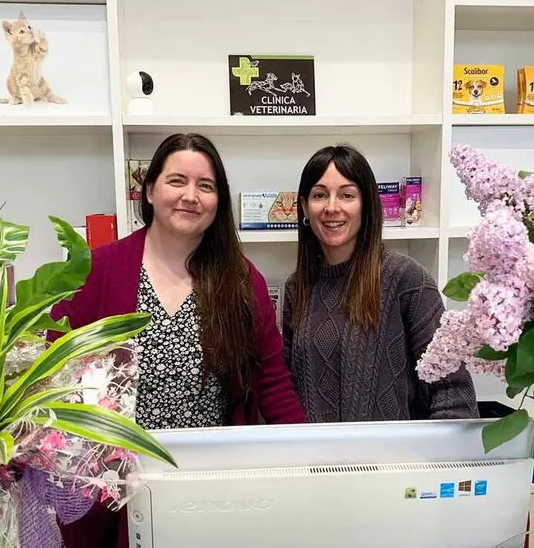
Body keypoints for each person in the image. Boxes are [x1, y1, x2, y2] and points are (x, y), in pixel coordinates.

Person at [50, 133, 306, 547]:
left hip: (212, 488)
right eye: (176, 181)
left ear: (218, 200)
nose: (191, 196)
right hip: (116, 490)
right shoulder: (97, 270)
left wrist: (305, 460)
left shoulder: (241, 281)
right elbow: (55, 373)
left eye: (205, 186)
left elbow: (272, 381)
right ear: (149, 190)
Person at [282, 144, 478, 423]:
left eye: (347, 195)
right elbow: (285, 390)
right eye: (320, 195)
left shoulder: (408, 280)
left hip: (394, 461)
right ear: (304, 206)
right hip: (316, 461)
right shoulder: (296, 288)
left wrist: (443, 460)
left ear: (367, 204)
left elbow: (451, 390)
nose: (332, 207)